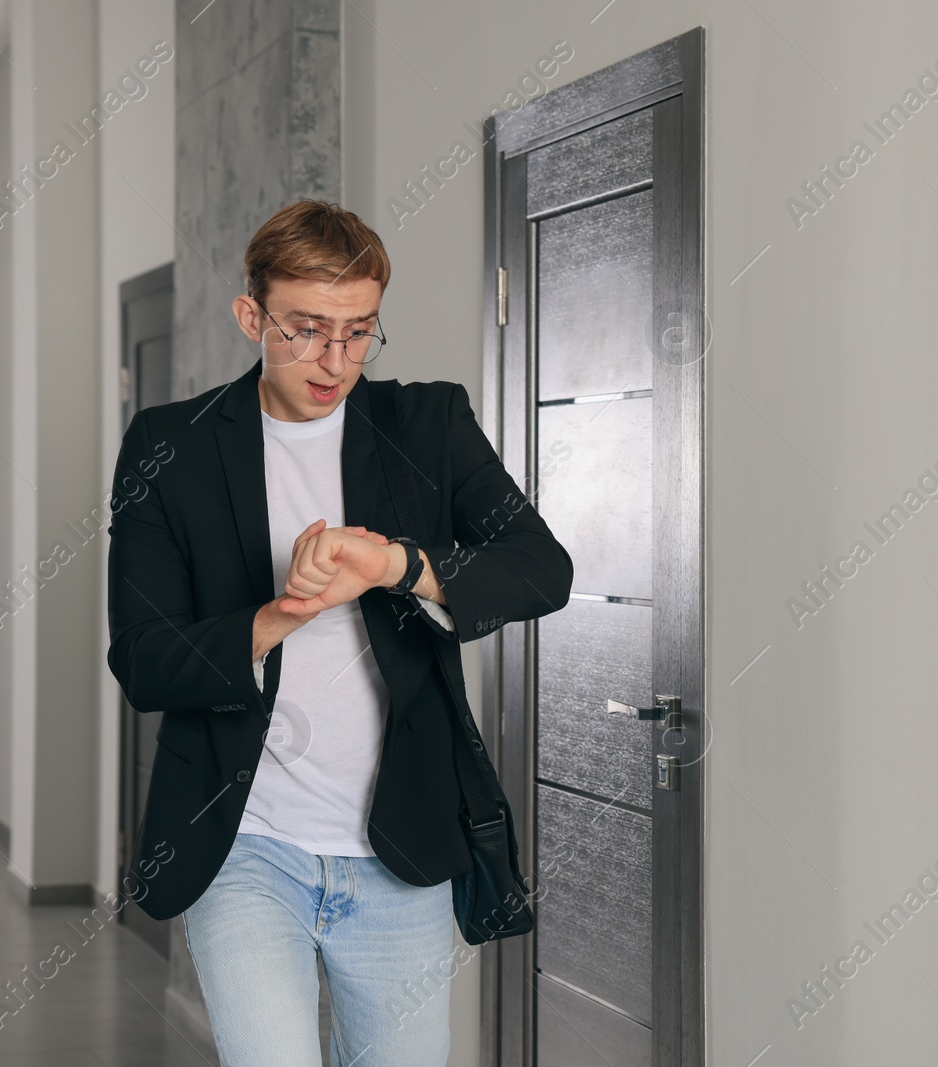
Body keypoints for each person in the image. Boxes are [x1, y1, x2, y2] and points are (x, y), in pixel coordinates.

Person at [105, 199, 573, 1066]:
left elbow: (545, 569)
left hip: (402, 848)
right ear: (253, 315)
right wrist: (280, 615)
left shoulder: (427, 425)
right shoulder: (170, 445)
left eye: (359, 332)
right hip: (245, 843)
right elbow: (141, 657)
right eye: (307, 329)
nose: (335, 359)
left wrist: (395, 563)